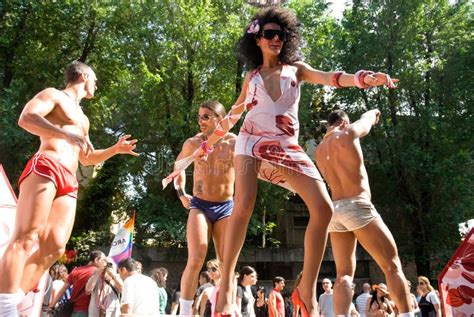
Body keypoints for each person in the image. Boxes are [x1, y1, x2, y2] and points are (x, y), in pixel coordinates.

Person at [193, 7, 396, 316]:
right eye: (270, 34)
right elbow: (234, 114)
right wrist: (208, 143)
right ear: (258, 40)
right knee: (244, 202)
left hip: (286, 145)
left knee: (324, 208)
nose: (276, 39)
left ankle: (304, 289)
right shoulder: (253, 77)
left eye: (281, 35)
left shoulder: (296, 69)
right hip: (251, 140)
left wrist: (363, 78)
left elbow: (331, 78)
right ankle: (226, 293)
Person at [0, 60, 139, 317]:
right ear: (84, 76)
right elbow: (26, 118)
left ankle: (10, 298)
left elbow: (86, 157)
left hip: (69, 178)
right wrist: (62, 134)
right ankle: (6, 307)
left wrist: (115, 150)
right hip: (47, 165)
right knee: (26, 237)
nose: (96, 85)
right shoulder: (54, 95)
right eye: (95, 79)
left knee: (55, 248)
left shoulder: (83, 119)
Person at [315, 109, 413, 317]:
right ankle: (407, 314)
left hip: (335, 210)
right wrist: (373, 112)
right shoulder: (347, 132)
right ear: (343, 122)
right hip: (357, 205)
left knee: (343, 274)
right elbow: (366, 121)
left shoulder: (319, 150)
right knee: (392, 266)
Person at [172, 100, 237, 316]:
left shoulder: (234, 142)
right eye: (199, 117)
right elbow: (177, 168)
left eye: (206, 117)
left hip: (226, 206)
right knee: (197, 255)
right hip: (200, 205)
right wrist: (181, 193)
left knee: (226, 262)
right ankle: (185, 311)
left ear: (220, 119)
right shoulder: (193, 143)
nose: (201, 121)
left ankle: (226, 308)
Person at [49, 250, 108, 317]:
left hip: (73, 309)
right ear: (96, 260)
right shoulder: (98, 273)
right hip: (89, 311)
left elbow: (62, 290)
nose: (105, 263)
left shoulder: (76, 270)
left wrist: (51, 306)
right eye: (104, 260)